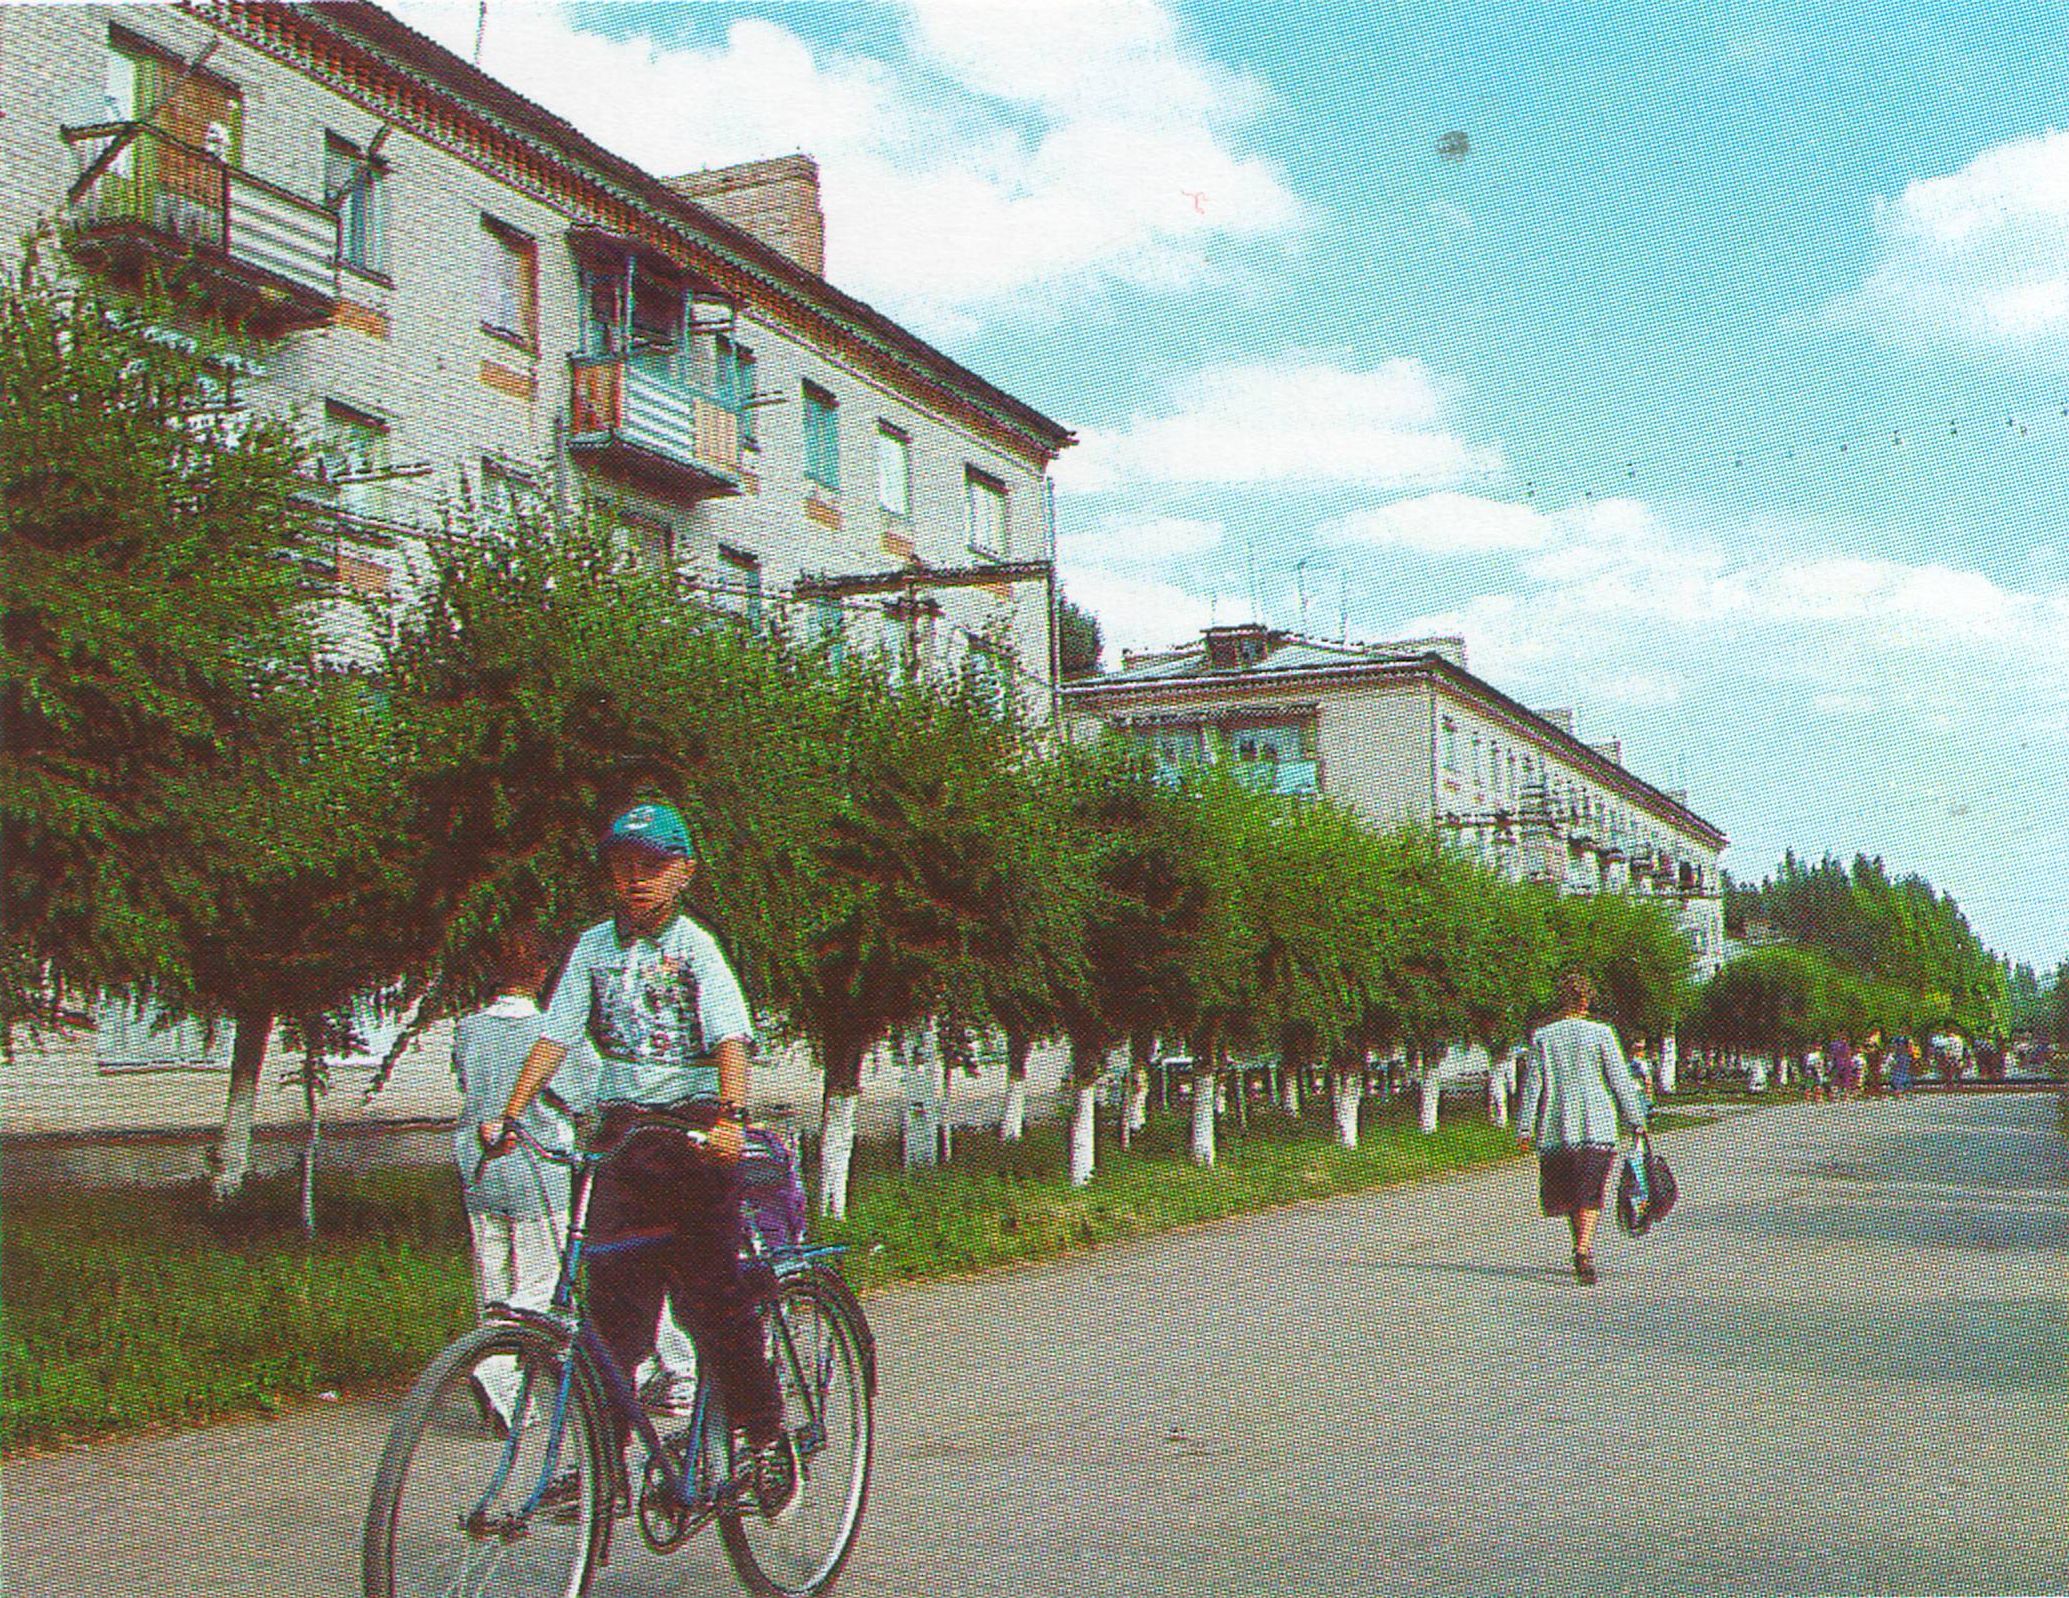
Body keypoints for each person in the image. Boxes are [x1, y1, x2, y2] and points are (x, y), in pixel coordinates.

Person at [480, 801, 795, 1516]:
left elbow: (730, 1041)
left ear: (684, 871)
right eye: (622, 868)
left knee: (712, 1299)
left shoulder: (697, 948)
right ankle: (605, 1471)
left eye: (651, 867)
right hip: (623, 1136)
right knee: (613, 1315)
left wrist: (730, 1119)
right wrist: (508, 1113)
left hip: (692, 1132)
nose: (635, 881)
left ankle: (764, 1437)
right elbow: (555, 1037)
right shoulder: (592, 949)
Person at [452, 924, 574, 1432]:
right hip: (537, 1169)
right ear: (544, 973)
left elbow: (465, 1082)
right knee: (538, 1285)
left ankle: (497, 1378)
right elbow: (579, 1097)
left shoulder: (467, 1030)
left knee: (494, 1281)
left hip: (481, 1168)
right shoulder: (552, 1033)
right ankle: (500, 1375)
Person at [1516, 972, 1649, 1285]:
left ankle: (1580, 1246)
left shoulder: (1544, 1036)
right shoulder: (1602, 1033)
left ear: (1562, 999)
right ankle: (1584, 1248)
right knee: (1590, 1189)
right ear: (1587, 1000)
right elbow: (1619, 1081)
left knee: (1570, 1192)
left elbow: (1533, 1084)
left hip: (1557, 1125)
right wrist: (1636, 1120)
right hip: (1597, 1125)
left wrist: (1524, 1128)